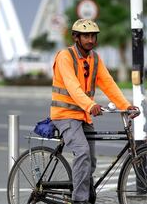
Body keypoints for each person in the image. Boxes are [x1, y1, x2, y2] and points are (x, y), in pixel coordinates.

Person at [50, 19, 139, 204]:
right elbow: (73, 87)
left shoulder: (95, 59)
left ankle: (87, 196)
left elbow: (108, 84)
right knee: (82, 152)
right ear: (75, 37)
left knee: (90, 160)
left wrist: (126, 105)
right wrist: (90, 105)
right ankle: (79, 201)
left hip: (83, 116)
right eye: (86, 36)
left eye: (93, 36)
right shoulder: (65, 57)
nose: (90, 40)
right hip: (65, 116)